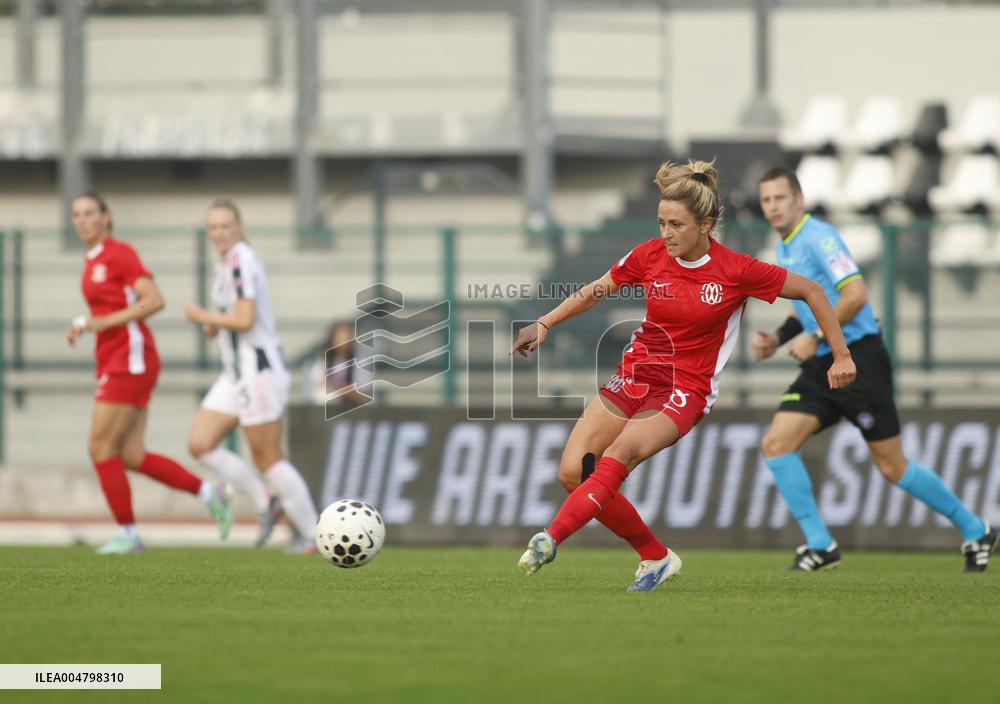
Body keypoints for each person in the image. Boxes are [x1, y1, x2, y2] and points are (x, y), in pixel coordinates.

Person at [510, 161, 857, 591]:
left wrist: (840, 355)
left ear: (706, 225)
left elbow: (813, 290)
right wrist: (545, 323)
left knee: (620, 454)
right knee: (571, 473)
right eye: (661, 223)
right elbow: (596, 290)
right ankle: (655, 557)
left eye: (676, 224)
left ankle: (551, 538)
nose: (666, 233)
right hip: (634, 374)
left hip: (684, 390)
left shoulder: (736, 270)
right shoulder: (648, 256)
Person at [753, 166, 996, 572]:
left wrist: (815, 338)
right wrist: (779, 338)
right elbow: (812, 306)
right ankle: (821, 545)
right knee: (776, 444)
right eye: (766, 200)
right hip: (821, 364)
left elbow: (856, 295)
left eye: (780, 198)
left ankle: (975, 528)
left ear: (799, 199)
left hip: (859, 357)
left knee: (891, 465)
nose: (773, 207)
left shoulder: (819, 237)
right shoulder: (785, 245)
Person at [66, 191, 232, 555]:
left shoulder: (118, 253)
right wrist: (85, 324)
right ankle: (209, 492)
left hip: (130, 359)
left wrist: (105, 321)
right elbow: (111, 307)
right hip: (119, 358)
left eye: (89, 213)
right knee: (131, 455)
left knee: (99, 447)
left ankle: (128, 533)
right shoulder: (93, 258)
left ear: (106, 217)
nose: (82, 220)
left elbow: (152, 299)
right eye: (76, 214)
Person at [184, 199, 319, 553]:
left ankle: (314, 535)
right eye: (213, 227)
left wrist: (205, 317)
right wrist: (215, 325)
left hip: (257, 369)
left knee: (268, 458)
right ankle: (266, 502)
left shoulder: (242, 258)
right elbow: (234, 318)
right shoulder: (224, 265)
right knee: (200, 443)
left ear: (239, 227)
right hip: (235, 372)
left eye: (226, 226)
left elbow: (244, 320)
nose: (220, 233)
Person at [302, 320, 371, 407]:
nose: (342, 341)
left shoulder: (361, 363)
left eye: (346, 337)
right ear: (332, 339)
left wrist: (338, 386)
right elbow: (313, 391)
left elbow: (364, 396)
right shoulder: (321, 362)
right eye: (339, 337)